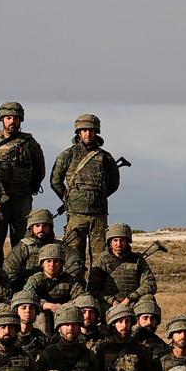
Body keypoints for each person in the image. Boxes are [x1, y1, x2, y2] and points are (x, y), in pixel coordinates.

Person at [49, 113, 120, 269]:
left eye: (91, 130)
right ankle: (77, 290)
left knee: (100, 257)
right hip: (76, 215)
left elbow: (114, 183)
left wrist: (97, 196)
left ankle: (97, 290)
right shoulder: (67, 155)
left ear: (96, 132)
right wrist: (69, 198)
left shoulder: (105, 157)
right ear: (79, 133)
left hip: (99, 215)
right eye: (84, 130)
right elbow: (55, 181)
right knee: (74, 256)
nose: (88, 133)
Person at [0, 103, 46, 253]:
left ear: (20, 120)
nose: (12, 122)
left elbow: (40, 168)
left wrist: (30, 188)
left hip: (22, 199)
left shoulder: (29, 142)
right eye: (8, 118)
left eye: (15, 118)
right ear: (2, 120)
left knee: (22, 242)